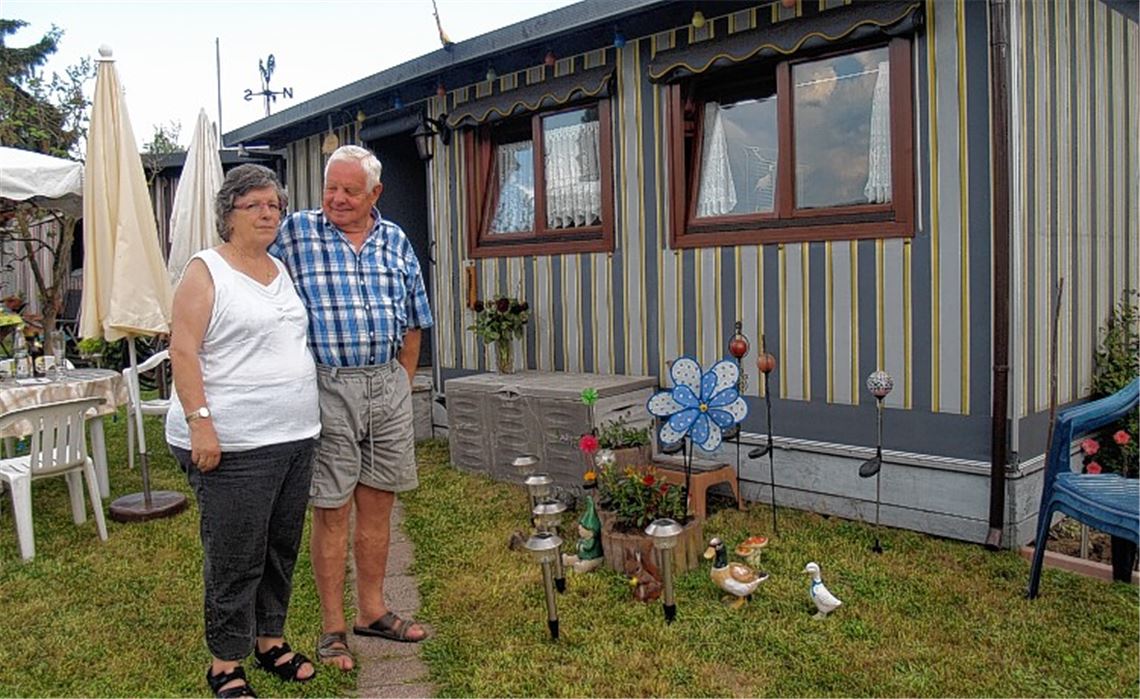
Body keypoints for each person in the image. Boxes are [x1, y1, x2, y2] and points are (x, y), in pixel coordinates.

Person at [272, 144, 433, 671]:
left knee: (379, 507)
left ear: (375, 194)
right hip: (327, 386)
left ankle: (372, 610)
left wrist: (400, 384)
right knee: (332, 509)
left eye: (349, 190)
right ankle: (332, 627)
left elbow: (415, 319)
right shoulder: (295, 232)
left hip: (385, 385)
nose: (337, 199)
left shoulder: (395, 240)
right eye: (330, 188)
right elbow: (246, 263)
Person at [167, 164, 320, 698]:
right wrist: (201, 424)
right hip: (230, 443)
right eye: (254, 204)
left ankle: (269, 640)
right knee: (236, 555)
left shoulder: (280, 270)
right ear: (227, 214)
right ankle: (225, 663)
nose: (268, 213)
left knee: (280, 547)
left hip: (296, 436)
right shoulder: (206, 270)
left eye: (275, 206)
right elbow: (182, 349)